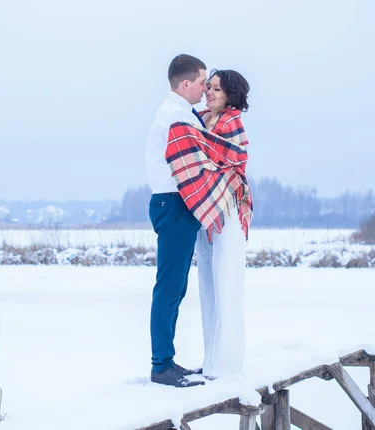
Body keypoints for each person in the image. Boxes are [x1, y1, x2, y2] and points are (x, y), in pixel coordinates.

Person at [165, 69, 253, 379]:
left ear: (231, 94)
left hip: (229, 208)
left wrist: (191, 137)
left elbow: (234, 157)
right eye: (209, 88)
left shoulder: (232, 123)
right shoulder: (201, 119)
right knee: (208, 288)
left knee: (227, 285)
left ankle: (227, 365)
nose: (210, 93)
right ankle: (212, 361)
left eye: (217, 89)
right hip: (207, 212)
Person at [145, 54, 208, 388]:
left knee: (175, 286)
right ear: (186, 83)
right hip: (174, 203)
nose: (205, 88)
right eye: (202, 81)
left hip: (178, 203)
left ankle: (167, 361)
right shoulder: (174, 117)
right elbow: (195, 159)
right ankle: (161, 365)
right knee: (169, 286)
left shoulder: (183, 113)